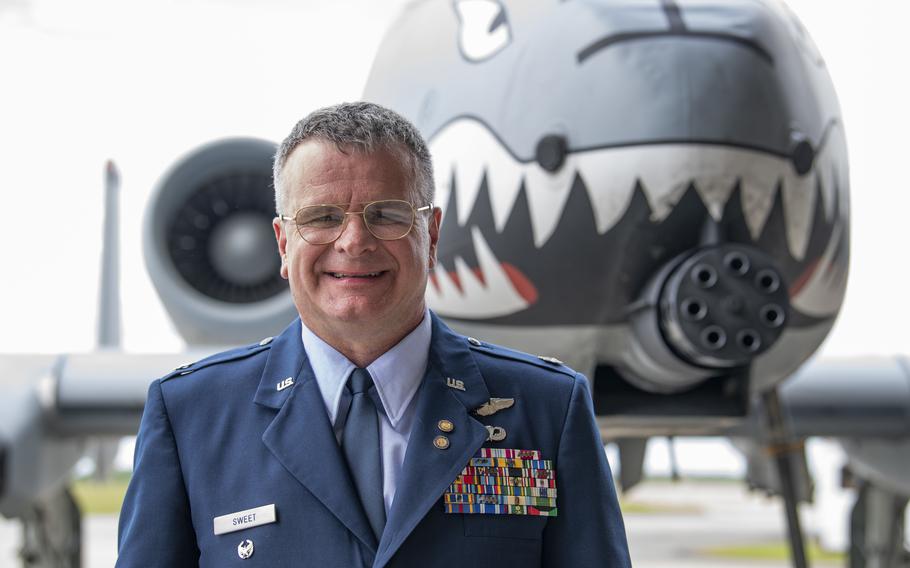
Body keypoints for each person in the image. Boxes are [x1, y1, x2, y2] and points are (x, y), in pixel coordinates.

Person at [117, 102, 631, 567]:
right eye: (322, 217)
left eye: (387, 215)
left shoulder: (545, 411)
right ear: (281, 242)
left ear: (431, 236)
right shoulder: (191, 417)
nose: (354, 241)